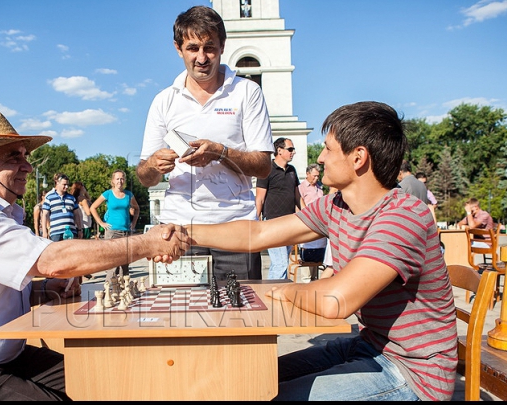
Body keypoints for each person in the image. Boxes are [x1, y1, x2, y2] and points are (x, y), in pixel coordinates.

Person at [0, 109, 188, 401]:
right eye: (13, 157)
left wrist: (42, 289)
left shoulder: (2, 210)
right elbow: (52, 261)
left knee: (107, 377)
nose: (27, 166)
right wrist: (146, 244)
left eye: (25, 156)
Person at [183, 101, 456, 401]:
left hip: (413, 373)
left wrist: (283, 291)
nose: (321, 157)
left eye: (328, 148)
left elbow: (335, 301)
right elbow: (258, 233)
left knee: (267, 395)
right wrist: (183, 233)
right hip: (368, 345)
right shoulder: (337, 206)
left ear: (358, 158)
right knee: (248, 380)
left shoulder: (403, 216)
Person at [136, 5, 273, 281]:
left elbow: (264, 167)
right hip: (179, 231)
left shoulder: (247, 92)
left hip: (235, 230)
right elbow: (144, 176)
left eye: (209, 47)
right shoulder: (165, 100)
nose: (201, 57)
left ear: (222, 46)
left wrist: (219, 153)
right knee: (181, 319)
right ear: (178, 48)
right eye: (192, 48)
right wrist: (153, 165)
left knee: (241, 318)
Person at [256, 137, 301, 279]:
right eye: (290, 149)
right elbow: (260, 198)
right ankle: (274, 295)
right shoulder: (266, 169)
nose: (293, 152)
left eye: (293, 149)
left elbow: (298, 197)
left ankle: (271, 292)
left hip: (290, 223)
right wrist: (256, 222)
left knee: (280, 263)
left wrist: (306, 215)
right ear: (279, 150)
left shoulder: (292, 170)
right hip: (273, 223)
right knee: (281, 263)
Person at [89, 170, 140, 279]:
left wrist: (133, 223)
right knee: (112, 262)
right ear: (113, 181)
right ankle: (109, 288)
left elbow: (137, 208)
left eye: (122, 178)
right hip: (112, 232)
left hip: (126, 231)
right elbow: (93, 207)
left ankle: (124, 289)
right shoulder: (108, 194)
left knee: (125, 262)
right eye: (117, 179)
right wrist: (101, 223)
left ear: (124, 180)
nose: (120, 181)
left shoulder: (129, 195)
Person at [297, 164, 327, 280]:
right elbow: (298, 205)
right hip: (307, 222)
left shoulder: (319, 187)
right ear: (307, 174)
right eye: (314, 176)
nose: (316, 179)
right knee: (306, 273)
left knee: (316, 271)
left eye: (318, 176)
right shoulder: (301, 188)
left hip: (319, 225)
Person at [42, 173, 82, 241]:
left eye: (67, 185)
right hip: (56, 232)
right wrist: (44, 231)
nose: (66, 187)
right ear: (57, 183)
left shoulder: (72, 198)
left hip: (71, 231)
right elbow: (45, 215)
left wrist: (80, 229)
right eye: (64, 184)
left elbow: (76, 214)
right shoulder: (49, 198)